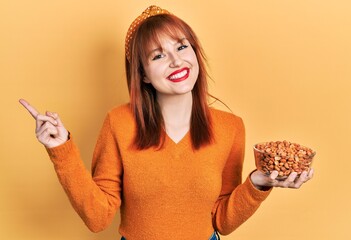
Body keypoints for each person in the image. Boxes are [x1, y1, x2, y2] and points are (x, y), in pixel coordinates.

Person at [19, 5, 314, 240]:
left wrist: (257, 183)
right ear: (143, 74)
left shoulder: (231, 128)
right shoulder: (118, 123)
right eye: (158, 55)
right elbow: (98, 219)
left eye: (182, 47)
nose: (175, 61)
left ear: (195, 53)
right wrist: (61, 150)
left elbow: (222, 222)